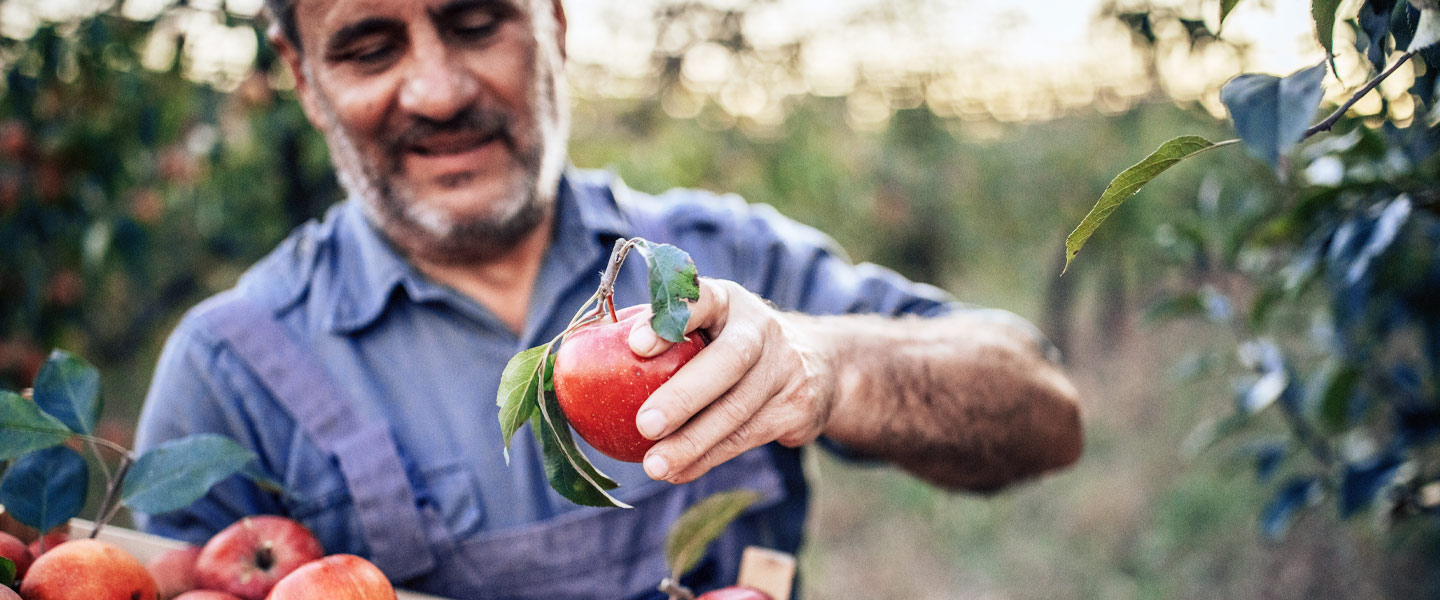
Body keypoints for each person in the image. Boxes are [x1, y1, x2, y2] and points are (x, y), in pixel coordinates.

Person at [134, 0, 1084, 597]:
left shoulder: (717, 263)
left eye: (474, 22)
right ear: (303, 77)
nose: (435, 89)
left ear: (551, 22)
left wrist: (830, 365)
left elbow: (1046, 415)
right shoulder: (231, 367)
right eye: (369, 48)